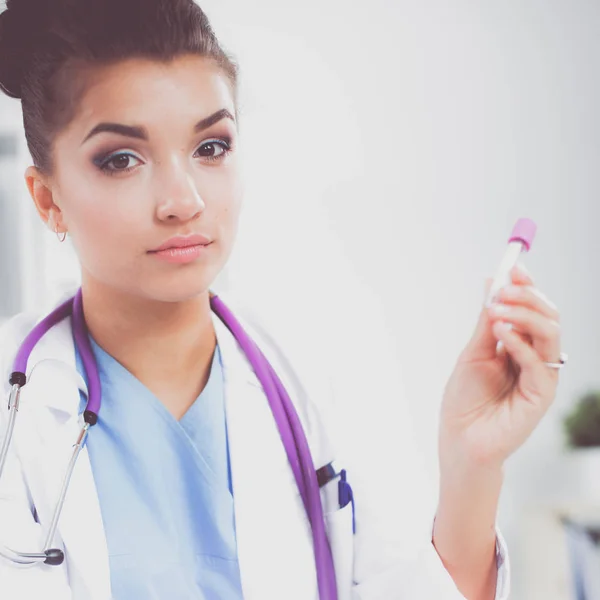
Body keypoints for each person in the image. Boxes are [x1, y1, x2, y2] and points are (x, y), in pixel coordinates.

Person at [0, 0, 563, 598]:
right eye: (122, 159)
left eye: (211, 147)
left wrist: (473, 463)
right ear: (47, 200)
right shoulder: (21, 410)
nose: (183, 199)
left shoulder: (318, 372)